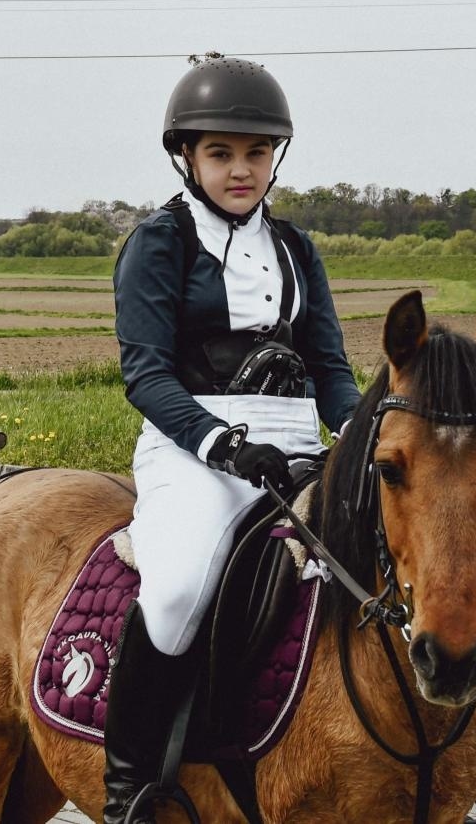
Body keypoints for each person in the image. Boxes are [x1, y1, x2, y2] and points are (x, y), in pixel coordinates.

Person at [103, 57, 361, 822]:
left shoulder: (296, 248)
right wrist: (219, 442)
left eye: (256, 152)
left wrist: (357, 429)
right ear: (188, 155)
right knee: (180, 587)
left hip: (294, 446)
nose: (240, 169)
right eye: (221, 153)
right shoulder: (158, 243)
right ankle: (130, 781)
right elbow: (146, 374)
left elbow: (331, 368)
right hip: (193, 450)